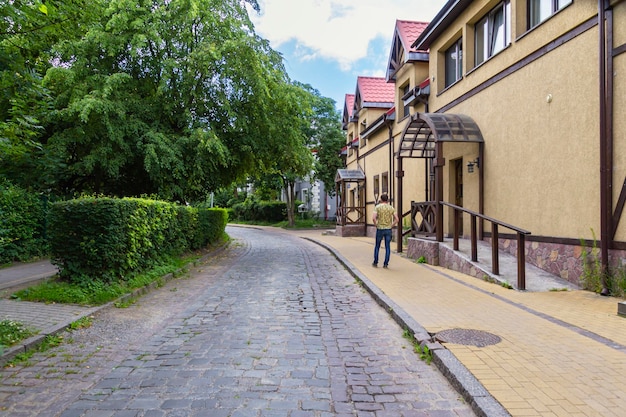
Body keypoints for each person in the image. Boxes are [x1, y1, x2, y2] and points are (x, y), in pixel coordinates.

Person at [372, 194, 399, 268]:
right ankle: (386, 263)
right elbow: (397, 219)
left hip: (380, 228)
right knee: (387, 246)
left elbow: (374, 218)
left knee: (377, 246)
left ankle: (375, 262)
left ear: (381, 199)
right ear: (387, 200)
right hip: (388, 229)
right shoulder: (391, 208)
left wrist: (376, 224)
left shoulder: (377, 207)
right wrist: (391, 225)